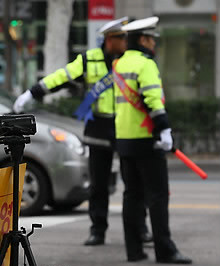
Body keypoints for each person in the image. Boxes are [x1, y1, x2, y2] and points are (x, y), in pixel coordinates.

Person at [13, 17, 151, 246]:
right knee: (98, 183)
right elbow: (61, 77)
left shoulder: (132, 60)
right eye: (121, 37)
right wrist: (33, 92)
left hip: (127, 125)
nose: (126, 41)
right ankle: (98, 230)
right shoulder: (89, 60)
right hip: (99, 125)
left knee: (134, 182)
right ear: (109, 40)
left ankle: (141, 228)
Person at [113, 16, 192, 264]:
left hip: (124, 139)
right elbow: (153, 101)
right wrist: (165, 129)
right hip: (147, 138)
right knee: (157, 196)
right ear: (144, 39)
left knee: (132, 195)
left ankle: (133, 250)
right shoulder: (146, 64)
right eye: (152, 39)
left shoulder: (119, 63)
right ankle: (165, 250)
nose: (154, 45)